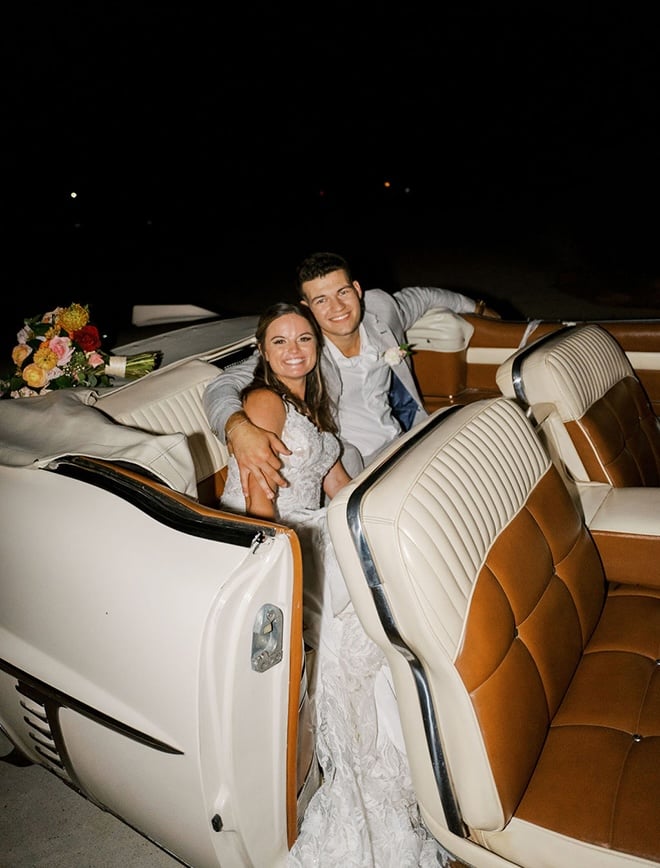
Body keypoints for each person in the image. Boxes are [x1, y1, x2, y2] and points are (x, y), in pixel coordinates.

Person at [218, 302, 448, 867]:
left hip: (313, 529)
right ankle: (370, 771)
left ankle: (412, 764)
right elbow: (259, 503)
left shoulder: (311, 407)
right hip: (278, 544)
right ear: (263, 352)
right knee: (367, 617)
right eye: (279, 342)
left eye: (303, 339)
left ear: (315, 348)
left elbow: (344, 485)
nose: (294, 350)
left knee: (389, 580)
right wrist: (283, 580)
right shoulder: (264, 403)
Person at [204, 251, 499, 501]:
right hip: (356, 465)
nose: (338, 308)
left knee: (480, 470)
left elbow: (425, 297)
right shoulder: (301, 351)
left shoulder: (381, 311)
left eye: (342, 292)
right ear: (307, 308)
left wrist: (479, 309)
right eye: (321, 300)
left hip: (408, 438)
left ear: (357, 289)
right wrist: (237, 428)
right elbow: (223, 384)